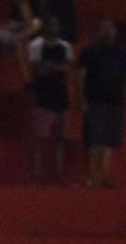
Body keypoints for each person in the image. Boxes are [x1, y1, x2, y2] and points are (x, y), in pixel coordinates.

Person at [77, 20, 126, 189]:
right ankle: (93, 176)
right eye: (103, 28)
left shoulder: (121, 53)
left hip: (115, 102)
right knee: (94, 140)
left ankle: (105, 175)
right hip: (94, 102)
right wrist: (82, 100)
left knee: (109, 141)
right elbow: (80, 77)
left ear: (115, 31)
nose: (107, 31)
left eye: (110, 28)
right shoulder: (89, 52)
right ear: (97, 31)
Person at [28, 16, 74, 184]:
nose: (54, 27)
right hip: (43, 95)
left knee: (61, 137)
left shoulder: (66, 46)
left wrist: (50, 67)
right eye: (51, 24)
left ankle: (59, 175)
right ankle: (37, 175)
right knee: (40, 139)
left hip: (61, 95)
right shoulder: (35, 45)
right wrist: (56, 68)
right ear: (45, 27)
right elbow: (37, 70)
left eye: (56, 24)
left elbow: (67, 69)